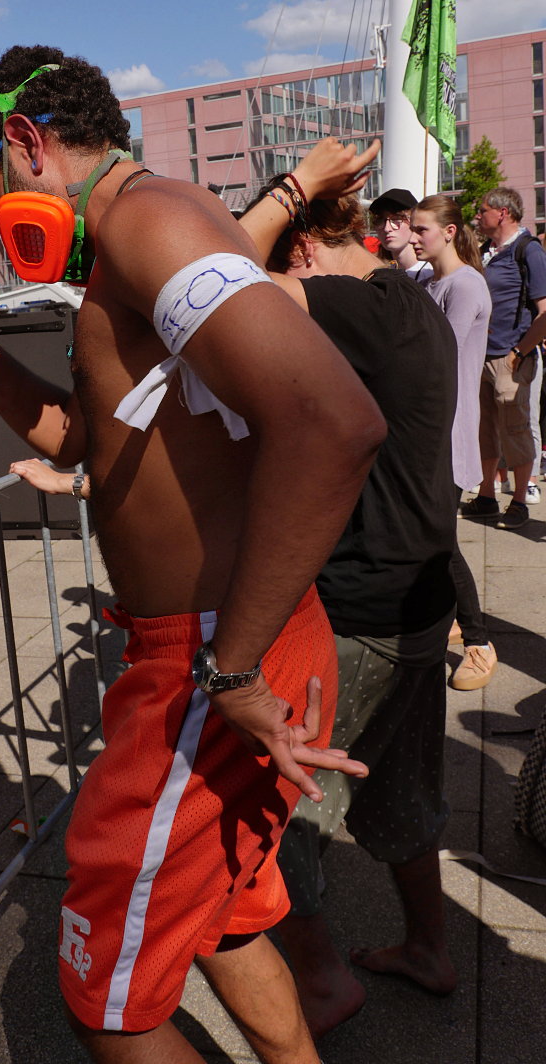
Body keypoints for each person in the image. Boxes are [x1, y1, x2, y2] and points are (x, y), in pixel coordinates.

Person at [0, 45, 387, 1064]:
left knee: (105, 1001)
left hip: (210, 657)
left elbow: (331, 423)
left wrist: (228, 664)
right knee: (225, 921)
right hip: (214, 644)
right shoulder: (135, 242)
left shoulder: (147, 220)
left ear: (26, 142)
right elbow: (88, 440)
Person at [240, 174, 458, 1039]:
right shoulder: (406, 300)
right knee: (398, 792)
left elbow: (218, 284)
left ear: (298, 248)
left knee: (276, 799)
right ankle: (432, 951)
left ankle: (322, 980)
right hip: (414, 597)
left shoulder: (352, 304)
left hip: (363, 604)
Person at [408, 195, 497, 691]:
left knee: (442, 540)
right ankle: (455, 620)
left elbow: (433, 361)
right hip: (427, 429)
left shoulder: (464, 285)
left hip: (448, 431)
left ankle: (479, 643)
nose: (413, 235)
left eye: (421, 228)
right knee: (430, 536)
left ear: (448, 231)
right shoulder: (429, 280)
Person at [463, 187, 546, 529]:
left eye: (482, 210)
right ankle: (486, 496)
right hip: (481, 356)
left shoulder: (529, 251)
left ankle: (519, 502)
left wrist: (520, 350)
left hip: (510, 355)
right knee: (484, 428)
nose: (477, 217)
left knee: (515, 428)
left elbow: (544, 311)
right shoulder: (486, 252)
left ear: (503, 213)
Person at [368, 187, 433, 281]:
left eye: (396, 219)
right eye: (380, 220)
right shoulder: (381, 278)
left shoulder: (431, 274)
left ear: (413, 222)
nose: (387, 229)